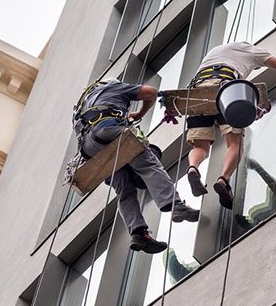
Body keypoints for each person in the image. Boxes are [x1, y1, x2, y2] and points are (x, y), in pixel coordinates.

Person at [72, 79, 199, 254]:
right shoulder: (114, 87)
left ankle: (139, 234)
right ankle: (176, 205)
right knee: (148, 165)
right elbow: (151, 92)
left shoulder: (81, 106)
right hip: (109, 130)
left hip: (91, 149)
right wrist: (139, 113)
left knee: (123, 188)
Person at [185, 41, 276, 209]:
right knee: (235, 144)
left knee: (200, 147)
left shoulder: (216, 51)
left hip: (196, 93)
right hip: (225, 90)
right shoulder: (253, 50)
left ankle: (193, 168)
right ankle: (223, 179)